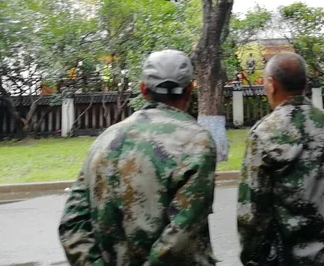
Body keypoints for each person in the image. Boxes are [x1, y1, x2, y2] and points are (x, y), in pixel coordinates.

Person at [58, 50, 217, 266]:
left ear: (143, 89)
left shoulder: (106, 138)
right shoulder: (196, 141)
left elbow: (72, 223)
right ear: (190, 88)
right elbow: (181, 235)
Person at [237, 53, 324, 266]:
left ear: (271, 85)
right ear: (306, 84)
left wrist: (253, 258)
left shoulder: (264, 133)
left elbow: (252, 212)